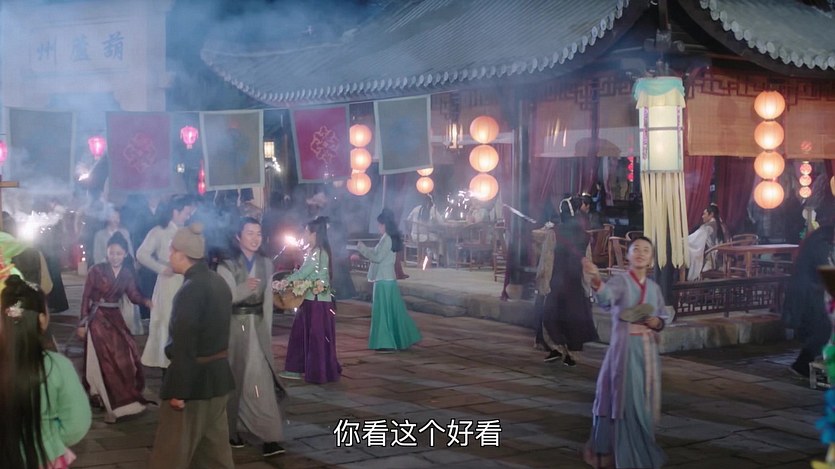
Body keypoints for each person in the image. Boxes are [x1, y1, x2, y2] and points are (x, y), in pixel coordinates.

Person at [148, 223, 236, 469]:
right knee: (214, 456)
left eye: (171, 251)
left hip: (194, 384)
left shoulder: (191, 290)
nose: (169, 256)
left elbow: (185, 344)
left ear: (181, 254)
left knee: (170, 456)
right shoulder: (217, 282)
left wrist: (179, 390)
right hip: (218, 379)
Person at [582, 237, 669, 469]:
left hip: (647, 354)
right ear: (628, 255)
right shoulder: (620, 282)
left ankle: (642, 449)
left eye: (646, 250)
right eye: (636, 249)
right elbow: (606, 298)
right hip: (624, 352)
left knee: (643, 400)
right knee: (626, 400)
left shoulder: (654, 288)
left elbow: (663, 316)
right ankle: (625, 456)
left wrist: (656, 322)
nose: (640, 253)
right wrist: (597, 280)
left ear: (651, 259)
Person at [1, 275, 92, 468]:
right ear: (42, 319)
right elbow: (77, 424)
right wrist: (51, 438)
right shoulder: (57, 366)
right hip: (45, 457)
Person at [217, 217, 286, 457]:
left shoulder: (266, 263)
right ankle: (231, 429)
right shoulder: (226, 265)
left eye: (258, 233)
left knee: (260, 380)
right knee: (235, 379)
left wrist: (266, 331)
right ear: (238, 236)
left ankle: (270, 436)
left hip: (256, 328)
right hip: (234, 328)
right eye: (249, 233)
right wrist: (244, 289)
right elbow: (223, 300)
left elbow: (267, 302)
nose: (255, 238)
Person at [77, 232, 152, 424]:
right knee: (102, 357)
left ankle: (123, 393)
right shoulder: (96, 270)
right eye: (112, 253)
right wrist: (82, 323)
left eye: (119, 253)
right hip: (97, 317)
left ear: (125, 254)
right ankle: (100, 394)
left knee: (127, 351)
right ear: (107, 252)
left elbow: (133, 294)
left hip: (114, 316)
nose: (115, 257)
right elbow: (86, 297)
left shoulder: (126, 274)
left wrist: (146, 301)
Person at [278, 216, 342, 384]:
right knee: (313, 337)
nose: (304, 234)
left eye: (306, 232)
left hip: (315, 302)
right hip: (316, 300)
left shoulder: (317, 252)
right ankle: (315, 370)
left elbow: (303, 273)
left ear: (314, 234)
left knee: (310, 337)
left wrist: (284, 281)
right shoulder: (320, 251)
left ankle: (307, 371)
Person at [138, 195, 195, 370]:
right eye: (186, 213)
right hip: (168, 282)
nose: (188, 216)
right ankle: (166, 364)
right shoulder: (159, 231)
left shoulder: (187, 232)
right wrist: (161, 269)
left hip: (186, 281)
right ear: (175, 212)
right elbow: (141, 254)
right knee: (166, 320)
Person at [357, 209, 422, 352]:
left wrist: (362, 249)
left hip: (384, 280)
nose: (378, 227)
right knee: (392, 311)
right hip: (386, 279)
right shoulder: (387, 238)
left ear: (385, 224)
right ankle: (397, 339)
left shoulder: (387, 239)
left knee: (383, 313)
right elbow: (377, 254)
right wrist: (366, 250)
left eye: (380, 225)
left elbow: (377, 257)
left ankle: (386, 342)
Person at [541, 214, 598, 366]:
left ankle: (558, 348)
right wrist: (587, 285)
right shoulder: (585, 236)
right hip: (575, 282)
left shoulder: (554, 233)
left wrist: (543, 281)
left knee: (551, 315)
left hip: (556, 281)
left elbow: (547, 259)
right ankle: (571, 353)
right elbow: (587, 260)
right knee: (574, 319)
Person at [782, 224, 835, 377]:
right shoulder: (820, 243)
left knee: (823, 330)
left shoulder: (822, 240)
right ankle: (802, 365)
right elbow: (826, 269)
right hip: (809, 295)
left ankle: (804, 364)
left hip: (814, 293)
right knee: (823, 329)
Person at [92, 209, 141, 335]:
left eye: (117, 218)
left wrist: (131, 266)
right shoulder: (100, 235)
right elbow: (97, 256)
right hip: (107, 272)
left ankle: (128, 327)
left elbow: (129, 252)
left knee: (127, 301)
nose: (115, 220)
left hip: (123, 271)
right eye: (113, 217)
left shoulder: (124, 232)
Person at [686, 204, 728, 281]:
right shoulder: (722, 225)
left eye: (704, 214)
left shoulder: (708, 227)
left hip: (712, 259)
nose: (702, 216)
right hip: (722, 258)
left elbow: (694, 240)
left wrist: (682, 241)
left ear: (711, 214)